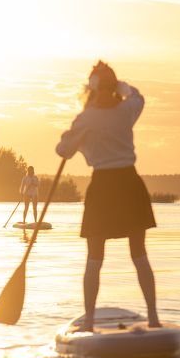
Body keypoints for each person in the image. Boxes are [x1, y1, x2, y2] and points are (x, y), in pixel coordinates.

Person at [55, 61, 160, 332]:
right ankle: (91, 321)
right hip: (124, 184)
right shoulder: (126, 108)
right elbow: (139, 98)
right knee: (96, 257)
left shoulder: (86, 118)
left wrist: (66, 138)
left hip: (110, 185)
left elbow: (63, 151)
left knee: (136, 253)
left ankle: (153, 318)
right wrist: (126, 89)